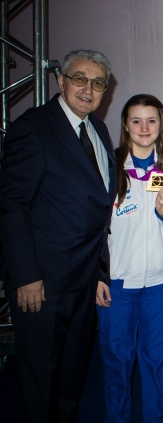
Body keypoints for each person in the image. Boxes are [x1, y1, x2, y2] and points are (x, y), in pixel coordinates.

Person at [0, 49, 117, 422]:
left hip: (83, 280)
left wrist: (100, 272)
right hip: (44, 283)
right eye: (79, 79)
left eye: (98, 83)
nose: (88, 89)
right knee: (40, 377)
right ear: (61, 81)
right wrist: (26, 275)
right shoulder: (33, 127)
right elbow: (12, 207)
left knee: (71, 374)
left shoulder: (97, 129)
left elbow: (97, 209)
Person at [96, 94, 163, 422]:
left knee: (157, 358)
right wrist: (98, 274)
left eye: (152, 120)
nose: (144, 127)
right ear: (125, 125)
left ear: (161, 124)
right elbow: (93, 226)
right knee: (117, 360)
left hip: (162, 281)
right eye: (136, 120)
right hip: (118, 281)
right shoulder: (108, 164)